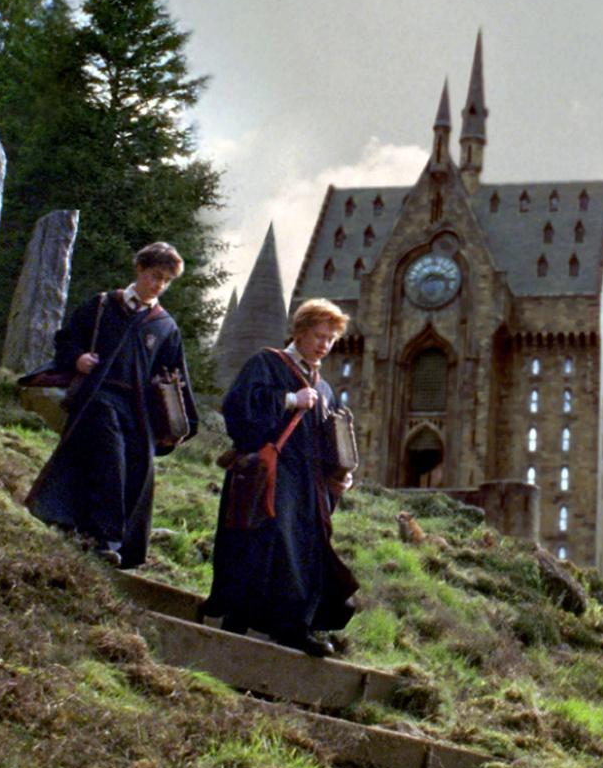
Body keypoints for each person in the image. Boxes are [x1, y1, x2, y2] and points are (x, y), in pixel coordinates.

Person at [26, 242, 199, 567]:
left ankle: (104, 538)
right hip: (97, 397)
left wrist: (179, 422)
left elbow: (176, 375)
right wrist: (77, 358)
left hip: (139, 411)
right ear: (140, 270)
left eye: (166, 280)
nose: (158, 285)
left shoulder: (165, 326)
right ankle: (102, 538)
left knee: (135, 469)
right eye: (154, 275)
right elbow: (67, 338)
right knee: (110, 461)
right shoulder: (103, 305)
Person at [202, 297, 358, 656]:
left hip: (306, 483)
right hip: (270, 473)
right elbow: (238, 409)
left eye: (330, 339)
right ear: (300, 332)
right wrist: (289, 399)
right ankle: (244, 623)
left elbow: (325, 440)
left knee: (301, 550)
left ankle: (292, 626)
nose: (324, 345)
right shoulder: (267, 363)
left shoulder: (324, 388)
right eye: (319, 335)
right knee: (262, 545)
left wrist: (337, 477)